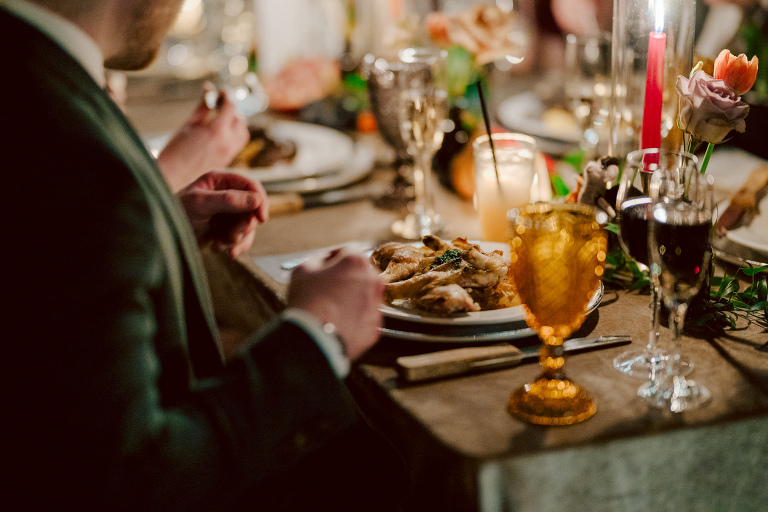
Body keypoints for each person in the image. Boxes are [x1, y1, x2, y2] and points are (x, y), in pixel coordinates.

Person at [0, 0, 401, 510]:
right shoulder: (73, 155)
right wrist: (317, 334)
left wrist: (158, 226)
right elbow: (130, 478)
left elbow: (37, 281)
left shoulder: (24, 66)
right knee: (382, 457)